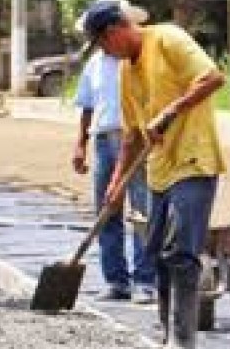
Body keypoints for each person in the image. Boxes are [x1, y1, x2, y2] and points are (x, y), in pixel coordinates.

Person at [83, 0, 225, 348]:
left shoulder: (167, 39)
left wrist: (172, 110)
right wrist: (116, 185)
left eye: (102, 42)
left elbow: (212, 77)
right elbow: (131, 137)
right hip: (159, 171)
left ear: (115, 29)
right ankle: (166, 334)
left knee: (181, 254)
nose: (104, 51)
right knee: (158, 258)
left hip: (193, 161)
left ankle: (183, 340)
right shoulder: (126, 74)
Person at [73, 42, 156, 304]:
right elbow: (87, 106)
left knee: (142, 211)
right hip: (102, 139)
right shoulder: (95, 63)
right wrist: (80, 144)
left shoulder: (138, 59)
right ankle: (116, 280)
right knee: (107, 210)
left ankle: (145, 281)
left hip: (136, 138)